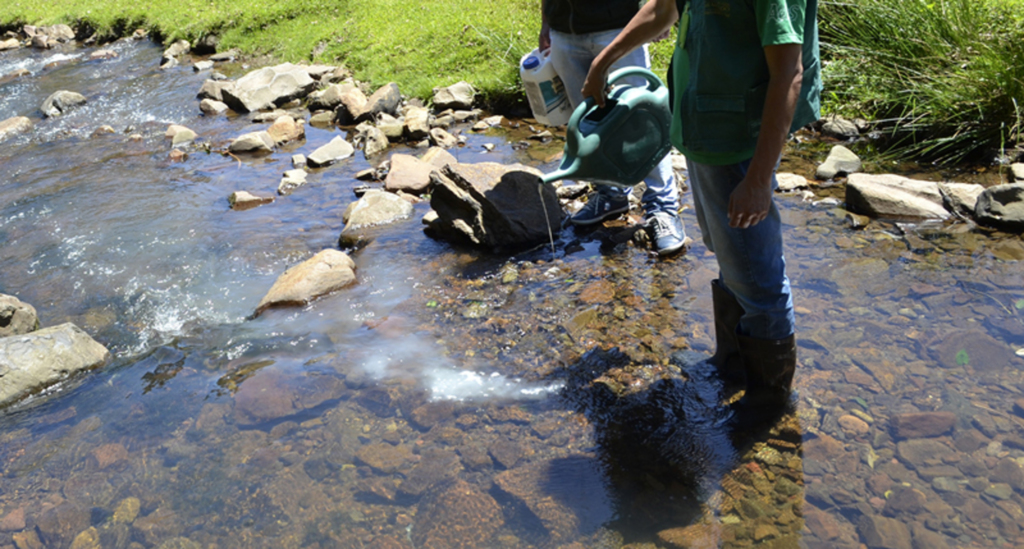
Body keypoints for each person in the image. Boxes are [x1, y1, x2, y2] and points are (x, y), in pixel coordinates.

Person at [580, 0, 821, 421]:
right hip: (705, 122)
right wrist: (603, 60)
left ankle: (767, 408)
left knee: (757, 277)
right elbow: (664, 7)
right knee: (730, 251)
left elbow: (789, 73)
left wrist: (759, 181)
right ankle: (731, 368)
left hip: (740, 136)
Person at [540, 0, 688, 257]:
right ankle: (611, 195)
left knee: (643, 120)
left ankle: (662, 207)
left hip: (620, 27)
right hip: (563, 31)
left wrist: (659, 12)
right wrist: (546, 22)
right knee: (589, 124)